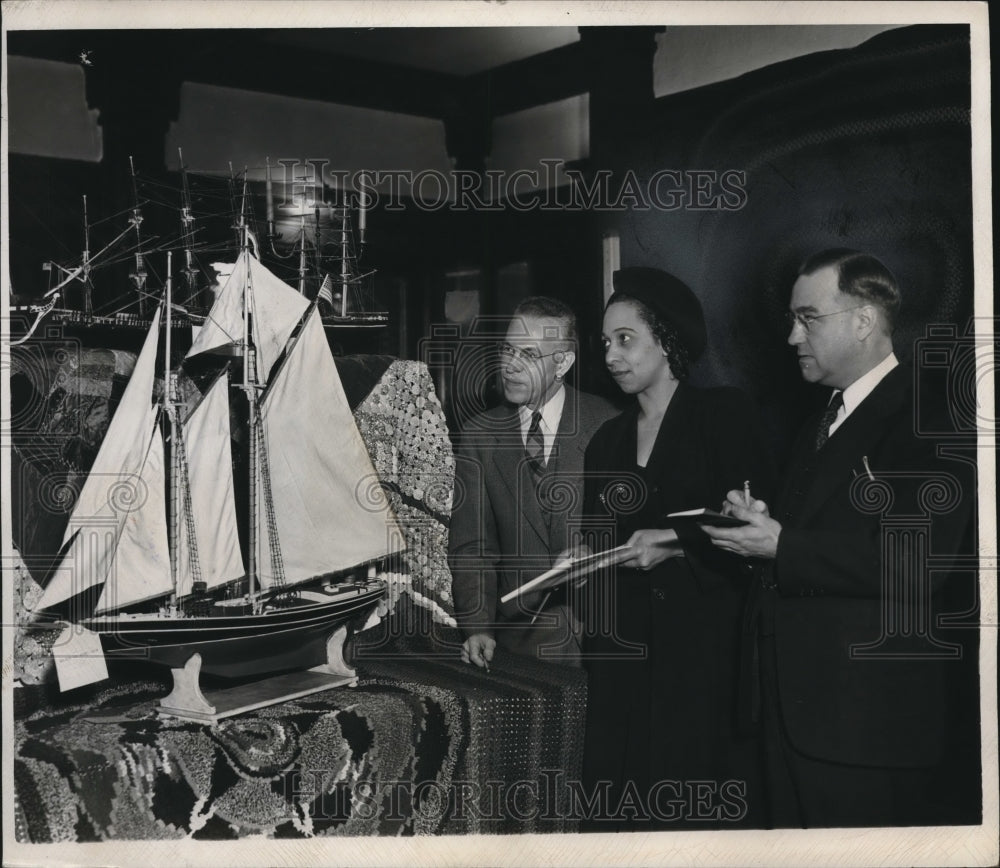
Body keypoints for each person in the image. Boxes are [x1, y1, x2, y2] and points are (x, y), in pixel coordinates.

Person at [705, 249, 978, 827]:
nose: (790, 337)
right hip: (799, 717)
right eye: (791, 319)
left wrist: (783, 546)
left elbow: (922, 561)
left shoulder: (930, 411)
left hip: (863, 730)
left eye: (808, 318)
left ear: (864, 320)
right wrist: (758, 525)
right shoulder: (825, 417)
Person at [579, 267, 773, 830]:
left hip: (702, 658)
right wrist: (582, 559)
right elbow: (601, 540)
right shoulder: (607, 440)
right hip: (624, 662)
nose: (612, 355)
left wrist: (675, 543)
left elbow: (757, 527)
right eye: (606, 343)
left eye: (626, 339)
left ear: (666, 342)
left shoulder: (723, 415)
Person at [449, 296, 615, 669]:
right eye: (508, 349)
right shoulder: (480, 436)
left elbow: (631, 530)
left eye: (528, 354)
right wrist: (477, 626)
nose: (509, 365)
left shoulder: (610, 423)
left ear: (563, 363)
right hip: (519, 648)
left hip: (604, 638)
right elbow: (472, 546)